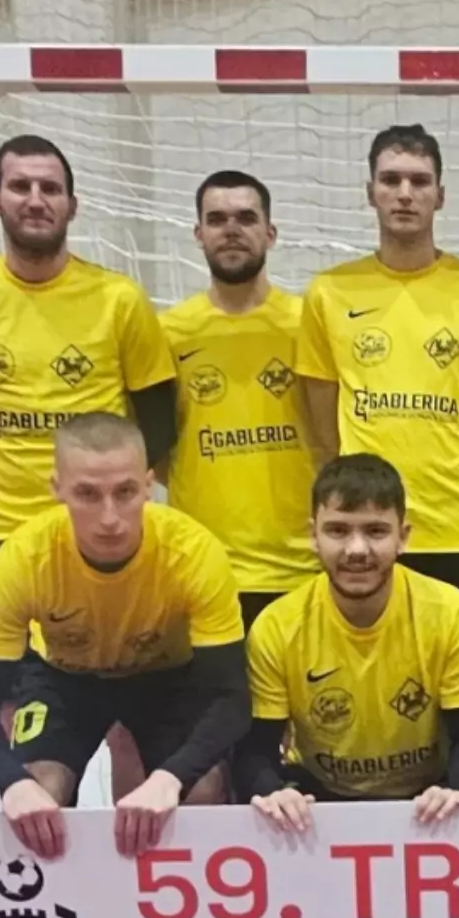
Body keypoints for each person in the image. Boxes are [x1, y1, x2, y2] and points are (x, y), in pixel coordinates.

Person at [0, 413, 249, 861]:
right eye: (88, 494)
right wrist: (12, 783)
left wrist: (170, 778)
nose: (109, 517)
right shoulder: (24, 558)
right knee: (39, 792)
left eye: (125, 492)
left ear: (148, 486)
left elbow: (231, 699)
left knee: (201, 791)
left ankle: (182, 903)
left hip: (166, 679)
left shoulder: (193, 553)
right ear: (57, 489)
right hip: (64, 679)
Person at [0, 134, 178, 611]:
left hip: (105, 537)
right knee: (4, 663)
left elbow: (160, 424)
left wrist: (104, 496)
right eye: (21, 186)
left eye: (50, 189)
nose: (36, 200)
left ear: (72, 206)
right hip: (2, 536)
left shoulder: (119, 299)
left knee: (117, 660)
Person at [296, 124, 459, 651]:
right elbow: (322, 431)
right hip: (364, 533)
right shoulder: (329, 292)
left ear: (440, 195)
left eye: (419, 181)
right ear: (369, 191)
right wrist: (356, 500)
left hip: (456, 531)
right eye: (390, 179)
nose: (404, 193)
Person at [238, 453, 459, 830]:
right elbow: (254, 750)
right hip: (318, 803)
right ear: (313, 536)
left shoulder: (449, 612)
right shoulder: (276, 626)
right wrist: (272, 790)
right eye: (338, 530)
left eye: (375, 531)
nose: (356, 549)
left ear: (403, 537)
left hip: (427, 802)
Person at [161, 169, 316, 632]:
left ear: (270, 233)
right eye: (217, 219)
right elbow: (158, 449)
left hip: (303, 568)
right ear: (198, 234)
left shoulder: (311, 324)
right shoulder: (168, 332)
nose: (231, 229)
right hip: (204, 571)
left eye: (246, 218)